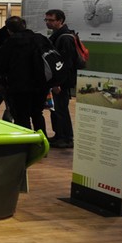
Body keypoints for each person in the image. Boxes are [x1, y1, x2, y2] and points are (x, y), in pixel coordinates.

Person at [0, 16, 47, 133]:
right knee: (37, 114)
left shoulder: (9, 43)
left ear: (9, 30)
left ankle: (26, 141)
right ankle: (42, 139)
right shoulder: (40, 39)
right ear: (24, 25)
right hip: (40, 85)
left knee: (22, 116)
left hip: (18, 86)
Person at [45, 9, 78, 149]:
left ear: (60, 21)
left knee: (61, 109)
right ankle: (59, 135)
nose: (48, 22)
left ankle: (66, 138)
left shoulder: (65, 38)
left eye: (51, 20)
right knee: (56, 108)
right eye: (46, 20)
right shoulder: (58, 35)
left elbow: (66, 63)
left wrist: (58, 82)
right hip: (57, 80)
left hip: (61, 81)